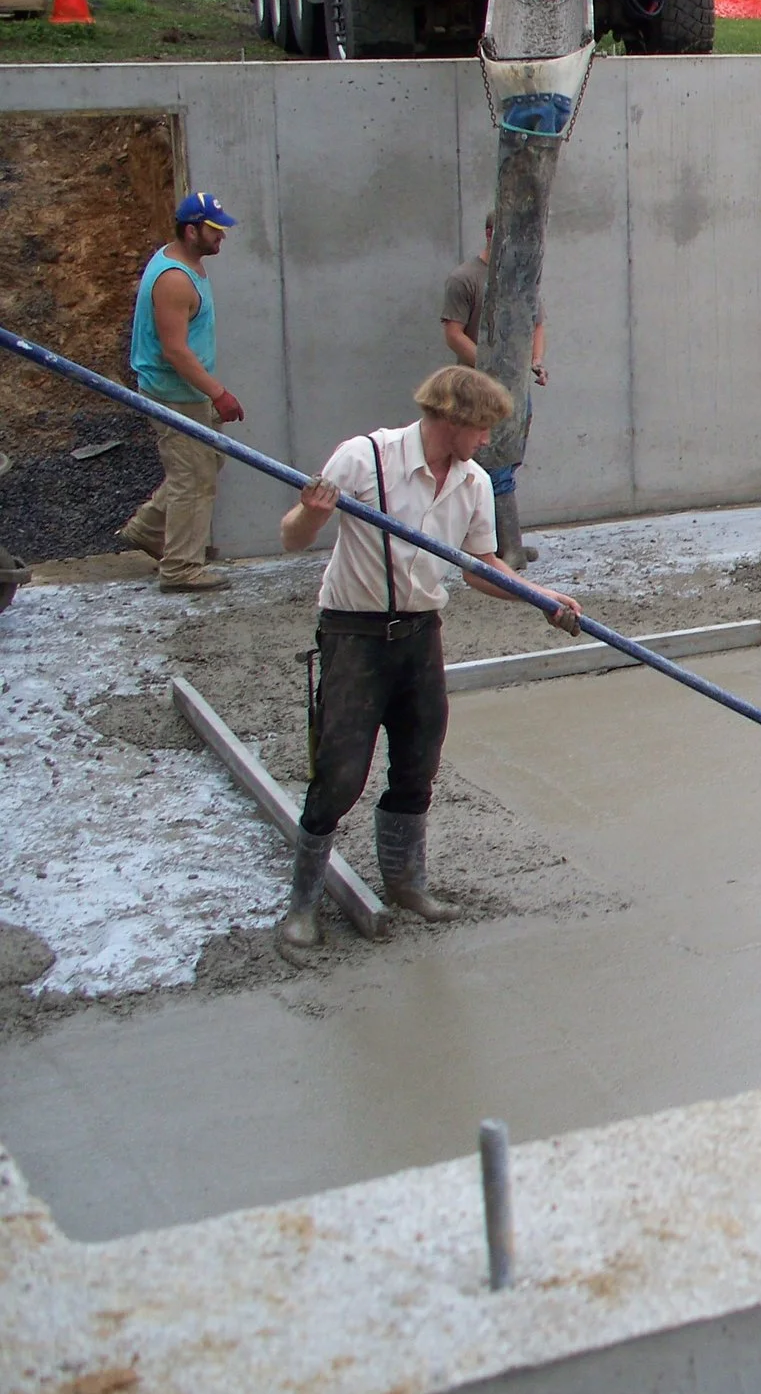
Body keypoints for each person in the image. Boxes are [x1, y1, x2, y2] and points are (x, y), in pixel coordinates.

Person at [270, 365, 580, 961]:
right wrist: (312, 510)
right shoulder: (364, 459)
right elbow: (292, 537)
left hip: (418, 635)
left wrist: (540, 599)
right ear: (451, 418)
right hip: (354, 636)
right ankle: (303, 905)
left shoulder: (472, 483)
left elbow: (479, 565)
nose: (487, 440)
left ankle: (407, 884)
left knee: (418, 763)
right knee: (339, 773)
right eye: (482, 427)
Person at [119, 191, 245, 594]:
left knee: (208, 461)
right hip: (176, 392)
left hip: (190, 389)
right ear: (191, 232)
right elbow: (174, 350)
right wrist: (218, 393)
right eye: (214, 231)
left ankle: (148, 530)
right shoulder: (174, 280)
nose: (221, 238)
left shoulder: (185, 262)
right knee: (192, 476)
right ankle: (180, 568)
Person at [440, 219, 547, 566]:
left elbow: (537, 322)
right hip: (477, 391)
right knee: (491, 464)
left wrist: (534, 361)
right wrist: (490, 369)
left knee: (508, 460)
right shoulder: (465, 278)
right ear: (489, 233)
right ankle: (505, 547)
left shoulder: (521, 276)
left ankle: (504, 543)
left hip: (514, 388)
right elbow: (453, 333)